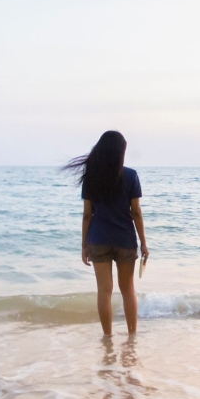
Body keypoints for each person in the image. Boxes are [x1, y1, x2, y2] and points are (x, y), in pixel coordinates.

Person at [65, 131, 149, 335]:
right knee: (127, 289)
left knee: (104, 291)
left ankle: (108, 337)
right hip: (124, 240)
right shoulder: (130, 175)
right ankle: (131, 337)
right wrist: (144, 243)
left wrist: (84, 244)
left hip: (98, 239)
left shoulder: (91, 177)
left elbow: (87, 215)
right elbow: (136, 211)